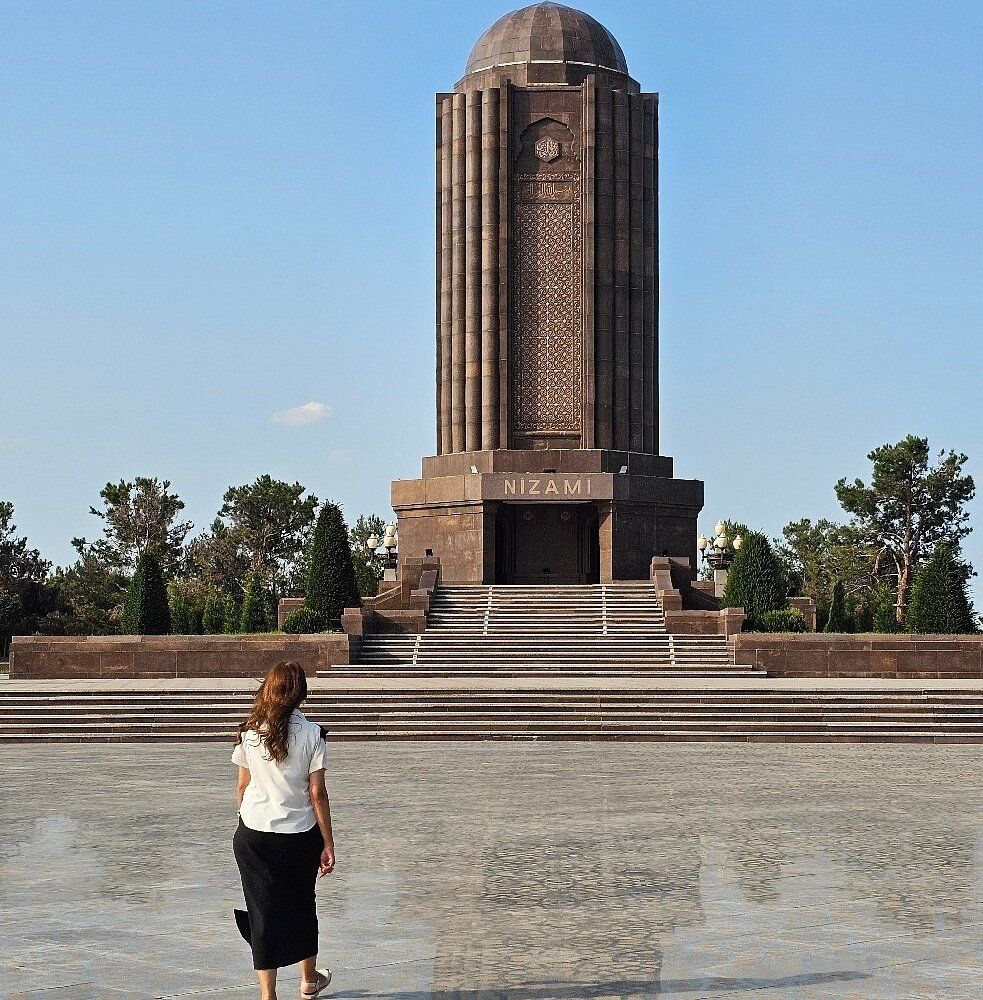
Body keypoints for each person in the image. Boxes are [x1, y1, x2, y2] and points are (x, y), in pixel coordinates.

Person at [232, 661, 336, 999]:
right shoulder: (313, 734)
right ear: (301, 694)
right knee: (302, 906)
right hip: (298, 834)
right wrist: (328, 842)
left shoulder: (250, 732)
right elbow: (316, 792)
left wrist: (246, 819)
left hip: (254, 835)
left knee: (262, 911)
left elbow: (242, 786)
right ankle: (308, 979)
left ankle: (268, 995)